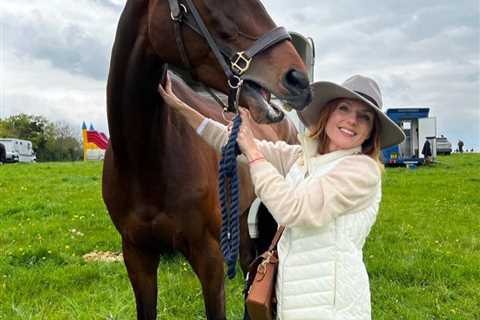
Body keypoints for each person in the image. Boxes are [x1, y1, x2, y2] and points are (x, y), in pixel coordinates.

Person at [159, 74, 405, 320]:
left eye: (364, 116)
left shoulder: (362, 170)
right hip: (294, 295)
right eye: (344, 108)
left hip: (332, 305)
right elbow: (231, 142)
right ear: (328, 112)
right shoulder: (302, 157)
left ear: (371, 130)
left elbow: (295, 210)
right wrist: (180, 107)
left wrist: (254, 154)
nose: (352, 120)